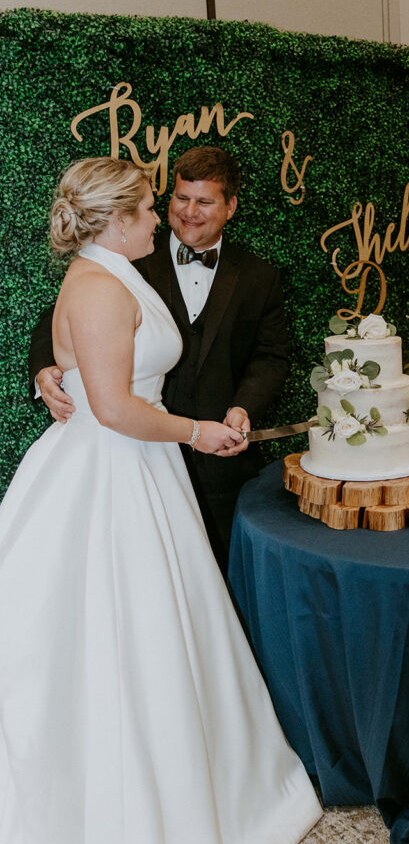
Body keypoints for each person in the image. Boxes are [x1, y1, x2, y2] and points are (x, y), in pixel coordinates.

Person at [0, 157, 322, 844]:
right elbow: (112, 406)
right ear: (115, 220)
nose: (161, 219)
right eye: (149, 208)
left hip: (137, 471)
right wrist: (195, 430)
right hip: (114, 474)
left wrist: (62, 371)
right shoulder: (103, 283)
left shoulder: (106, 269)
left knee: (158, 630)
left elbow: (90, 367)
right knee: (121, 634)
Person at [30, 146, 289, 572]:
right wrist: (48, 371)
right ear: (120, 218)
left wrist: (240, 409)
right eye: (173, 201)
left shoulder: (259, 276)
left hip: (204, 461)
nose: (184, 213)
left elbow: (270, 356)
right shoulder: (121, 263)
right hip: (124, 454)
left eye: (204, 202)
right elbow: (60, 321)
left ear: (230, 207)